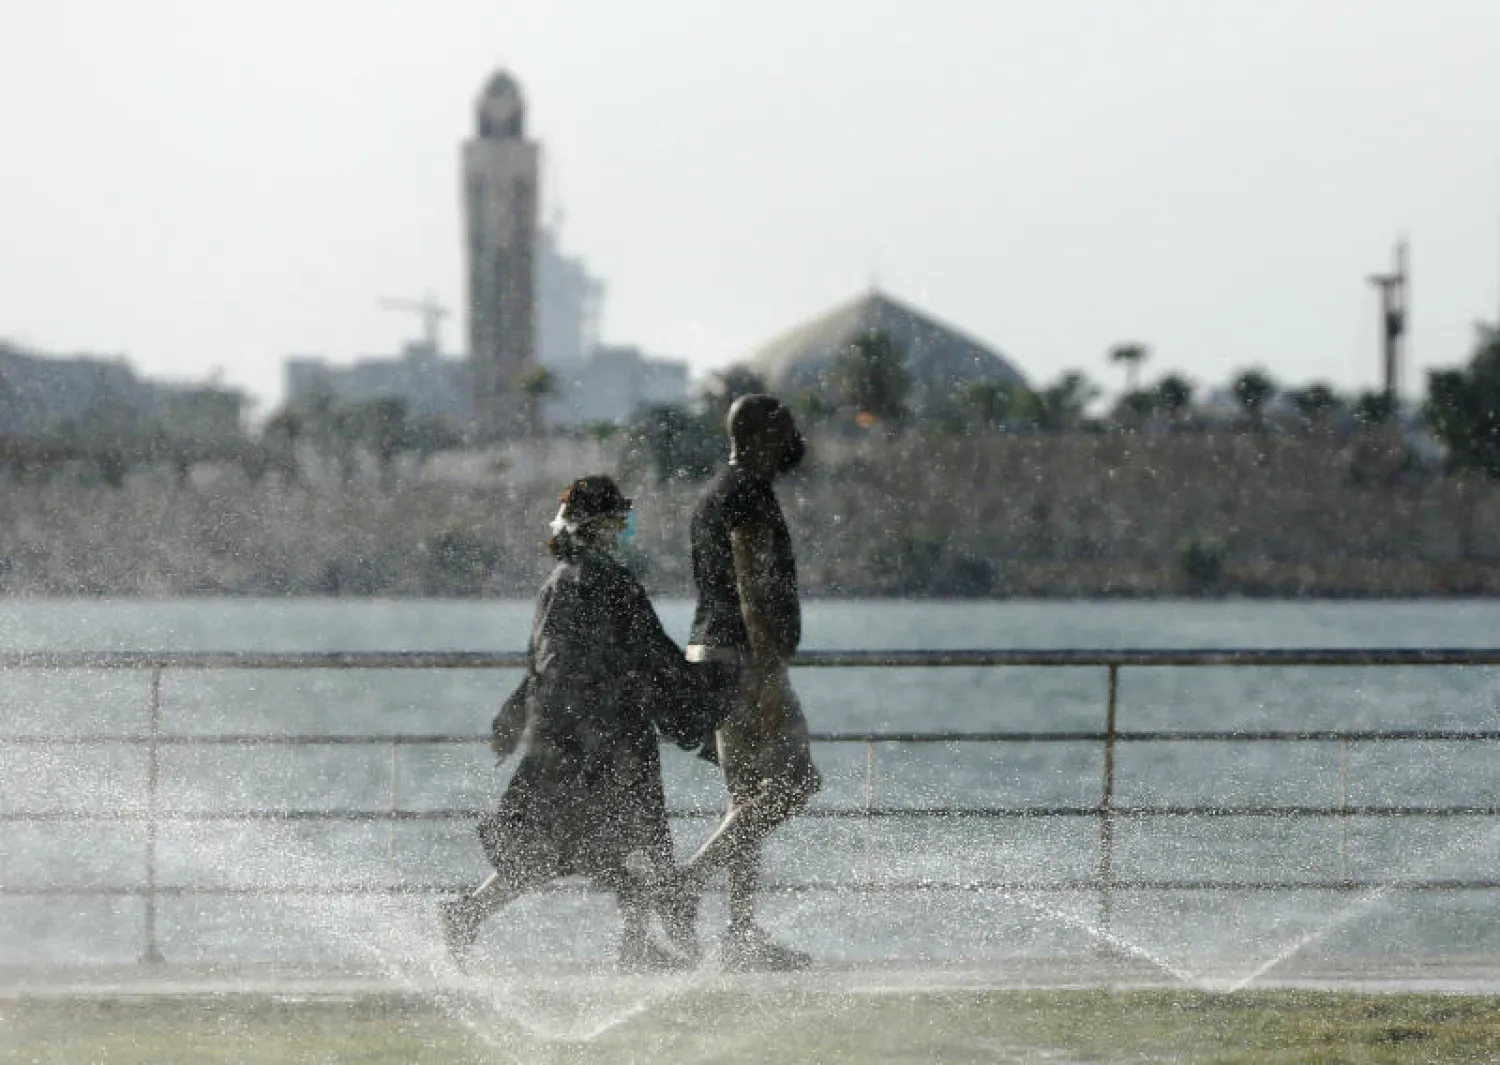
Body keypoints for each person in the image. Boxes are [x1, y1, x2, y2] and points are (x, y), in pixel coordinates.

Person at [440, 475, 716, 971]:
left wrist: (518, 717)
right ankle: (632, 946)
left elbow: (540, 665)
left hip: (564, 734)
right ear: (601, 524)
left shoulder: (556, 583)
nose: (624, 528)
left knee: (552, 842)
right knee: (634, 835)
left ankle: (471, 914)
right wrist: (702, 694)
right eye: (619, 519)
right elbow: (652, 653)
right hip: (609, 734)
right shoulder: (610, 581)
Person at [663, 393, 822, 972]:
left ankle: (740, 938)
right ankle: (687, 882)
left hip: (712, 654)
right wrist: (770, 678)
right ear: (760, 436)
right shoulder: (747, 496)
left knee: (747, 799)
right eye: (786, 430)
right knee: (796, 783)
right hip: (743, 662)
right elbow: (752, 590)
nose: (794, 441)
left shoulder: (714, 494)